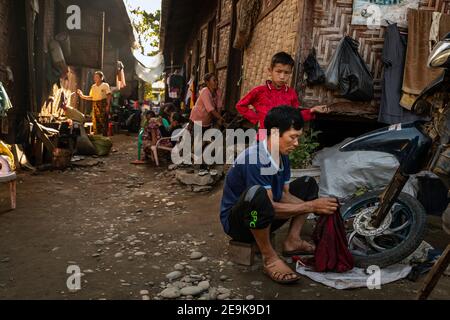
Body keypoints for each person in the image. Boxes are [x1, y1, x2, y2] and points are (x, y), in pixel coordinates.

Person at [219, 106, 338, 284]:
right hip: (243, 223)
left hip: (265, 215)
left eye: (298, 137)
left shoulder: (282, 156)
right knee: (257, 195)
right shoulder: (256, 158)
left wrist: (318, 206)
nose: (297, 143)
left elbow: (284, 195)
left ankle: (292, 241)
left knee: (307, 185)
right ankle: (270, 258)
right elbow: (267, 204)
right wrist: (311, 206)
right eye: (293, 137)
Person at [236, 52, 329, 130]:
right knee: (262, 151)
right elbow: (240, 105)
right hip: (264, 134)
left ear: (290, 73)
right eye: (278, 71)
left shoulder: (291, 93)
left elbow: (295, 116)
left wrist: (312, 110)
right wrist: (257, 119)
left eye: (286, 73)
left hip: (283, 135)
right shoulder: (259, 91)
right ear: (270, 70)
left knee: (278, 152)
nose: (282, 76)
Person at [77, 71, 112, 136]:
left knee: (103, 122)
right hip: (95, 105)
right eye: (94, 77)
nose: (95, 78)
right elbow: (91, 97)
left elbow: (109, 95)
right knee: (95, 122)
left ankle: (104, 137)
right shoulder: (93, 86)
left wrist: (108, 106)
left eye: (97, 77)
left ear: (101, 78)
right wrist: (82, 96)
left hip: (103, 104)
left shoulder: (105, 85)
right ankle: (97, 136)